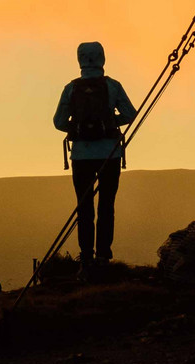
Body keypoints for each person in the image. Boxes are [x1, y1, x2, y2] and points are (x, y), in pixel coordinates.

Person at [53, 40, 137, 269]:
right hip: (109, 153)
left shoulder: (71, 88)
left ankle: (86, 257)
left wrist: (78, 128)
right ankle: (102, 256)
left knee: (84, 207)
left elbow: (58, 122)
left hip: (81, 155)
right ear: (102, 58)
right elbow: (130, 114)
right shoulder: (113, 86)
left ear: (80, 59)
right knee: (106, 206)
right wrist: (111, 124)